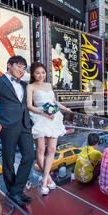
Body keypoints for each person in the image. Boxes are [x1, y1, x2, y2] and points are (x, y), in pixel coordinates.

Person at [0, 56, 35, 207]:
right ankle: (14, 192)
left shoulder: (24, 84)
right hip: (7, 126)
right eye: (19, 66)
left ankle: (16, 191)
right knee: (8, 160)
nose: (21, 70)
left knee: (29, 156)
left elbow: (26, 105)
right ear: (9, 65)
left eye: (24, 68)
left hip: (25, 125)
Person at [26, 62, 72, 195]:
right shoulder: (30, 87)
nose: (41, 75)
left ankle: (45, 179)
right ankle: (48, 179)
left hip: (53, 117)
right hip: (40, 116)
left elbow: (54, 102)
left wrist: (65, 108)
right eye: (37, 73)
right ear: (33, 74)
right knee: (40, 149)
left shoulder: (49, 85)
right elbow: (29, 105)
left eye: (43, 72)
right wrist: (43, 113)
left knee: (52, 149)